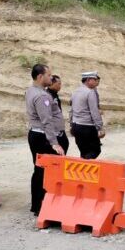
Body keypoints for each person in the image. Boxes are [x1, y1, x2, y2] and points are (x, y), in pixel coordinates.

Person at [25, 64, 64, 215]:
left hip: (35, 134)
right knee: (47, 171)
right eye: (49, 75)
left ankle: (36, 205)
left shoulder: (31, 90)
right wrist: (54, 143)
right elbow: (46, 120)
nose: (51, 78)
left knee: (38, 170)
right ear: (40, 77)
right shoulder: (42, 96)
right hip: (43, 137)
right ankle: (42, 206)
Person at [70, 71, 105, 159]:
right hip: (87, 127)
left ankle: (83, 168)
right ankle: (82, 167)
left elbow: (71, 110)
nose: (97, 82)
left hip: (76, 125)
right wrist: (100, 127)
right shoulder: (90, 92)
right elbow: (94, 112)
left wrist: (71, 125)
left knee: (84, 151)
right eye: (95, 79)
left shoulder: (75, 91)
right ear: (89, 80)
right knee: (95, 150)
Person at [46, 74, 69, 155]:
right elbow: (47, 115)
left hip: (59, 129)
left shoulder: (54, 95)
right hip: (54, 130)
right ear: (52, 83)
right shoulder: (48, 96)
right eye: (58, 83)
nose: (60, 86)